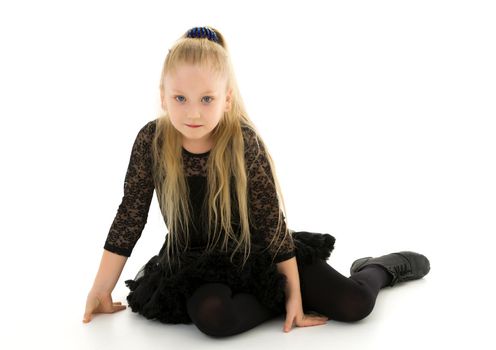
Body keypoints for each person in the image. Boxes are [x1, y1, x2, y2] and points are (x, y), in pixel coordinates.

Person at [82, 26, 430, 337]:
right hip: (196, 264)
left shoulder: (242, 142)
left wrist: (294, 294)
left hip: (258, 251)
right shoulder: (152, 141)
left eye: (207, 99)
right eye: (180, 98)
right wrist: (101, 289)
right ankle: (270, 299)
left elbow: (271, 223)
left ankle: (378, 268)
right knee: (213, 316)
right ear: (163, 95)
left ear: (226, 98)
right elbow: (130, 215)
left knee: (355, 306)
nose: (193, 113)